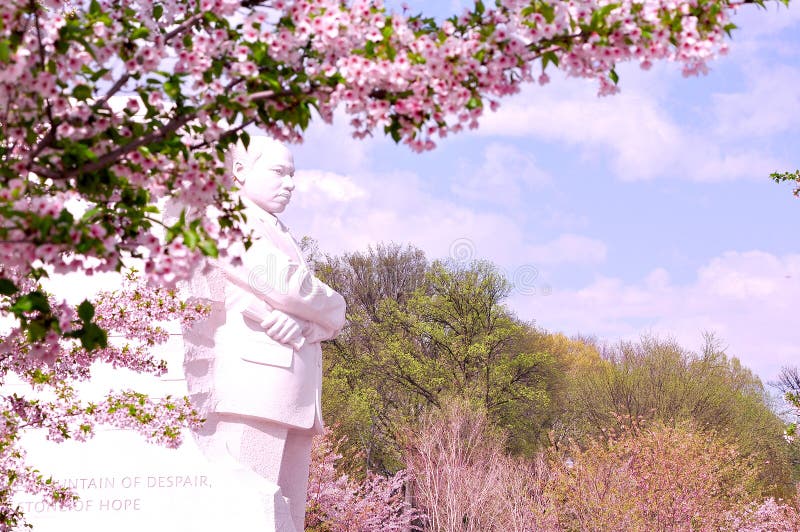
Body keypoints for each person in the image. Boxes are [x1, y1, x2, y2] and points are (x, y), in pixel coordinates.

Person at [182, 136, 346, 532]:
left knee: (285, 517)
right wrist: (334, 307)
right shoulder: (226, 221)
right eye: (278, 172)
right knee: (246, 512)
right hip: (253, 389)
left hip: (291, 390)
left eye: (292, 174)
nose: (290, 183)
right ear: (240, 172)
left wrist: (308, 323)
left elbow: (292, 297)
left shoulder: (277, 229)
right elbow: (286, 285)